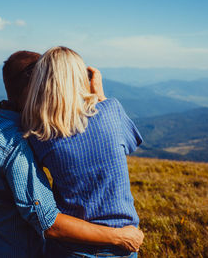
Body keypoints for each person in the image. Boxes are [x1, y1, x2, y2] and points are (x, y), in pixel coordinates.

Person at [0, 50, 144, 258]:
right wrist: (119, 237)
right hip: (19, 250)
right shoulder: (21, 139)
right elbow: (48, 221)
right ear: (36, 85)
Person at [22, 46, 144, 258]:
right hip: (122, 243)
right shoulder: (111, 110)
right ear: (81, 78)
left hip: (69, 244)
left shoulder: (38, 133)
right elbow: (131, 143)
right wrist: (100, 95)